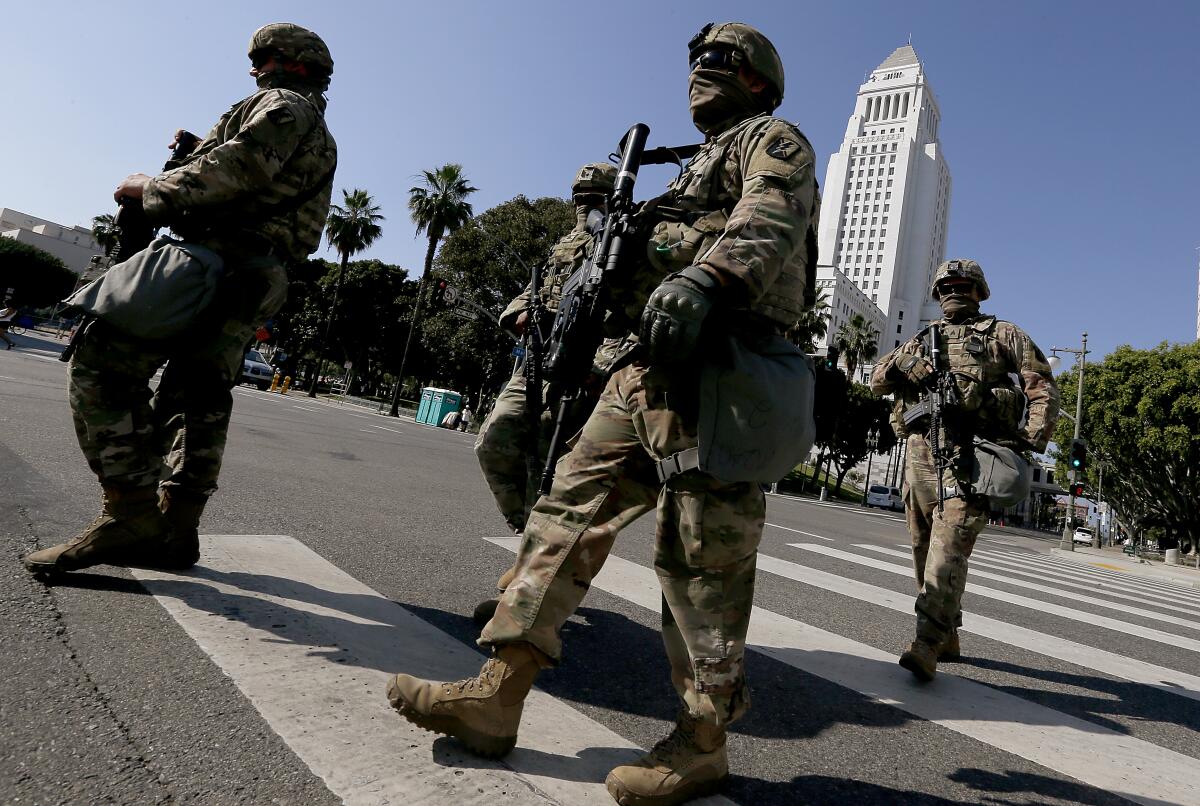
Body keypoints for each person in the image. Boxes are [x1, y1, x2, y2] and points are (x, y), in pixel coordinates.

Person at [387, 22, 818, 806]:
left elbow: (771, 219)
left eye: (718, 61)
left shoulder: (773, 139)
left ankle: (700, 745)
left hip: (724, 371)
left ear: (758, 79)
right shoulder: (688, 168)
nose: (698, 73)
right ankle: (497, 693)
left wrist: (704, 276)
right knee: (561, 514)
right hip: (642, 372)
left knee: (701, 569)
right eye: (692, 61)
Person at [24, 23, 336, 575]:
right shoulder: (311, 121)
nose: (253, 69)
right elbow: (255, 174)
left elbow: (237, 169)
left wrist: (147, 188)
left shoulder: (284, 104)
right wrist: (199, 151)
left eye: (261, 58)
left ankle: (132, 515)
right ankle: (176, 528)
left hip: (213, 263)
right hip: (253, 273)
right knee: (198, 399)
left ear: (292, 62)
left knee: (102, 364)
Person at [870, 259, 1059, 681]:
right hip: (920, 456)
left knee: (947, 551)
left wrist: (1026, 439)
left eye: (962, 284)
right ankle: (947, 632)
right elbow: (876, 380)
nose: (953, 291)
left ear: (979, 290)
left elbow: (1042, 388)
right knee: (922, 550)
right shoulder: (924, 338)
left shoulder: (1003, 334)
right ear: (937, 294)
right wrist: (902, 366)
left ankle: (925, 643)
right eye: (946, 285)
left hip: (970, 457)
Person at [474, 162, 618, 536]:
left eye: (594, 197)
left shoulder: (621, 240)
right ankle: (525, 529)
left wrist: (601, 367)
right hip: (539, 356)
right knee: (493, 440)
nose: (585, 205)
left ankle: (533, 554)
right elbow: (536, 291)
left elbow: (629, 315)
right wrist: (519, 312)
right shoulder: (566, 242)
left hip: (583, 366)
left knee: (546, 462)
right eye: (579, 197)